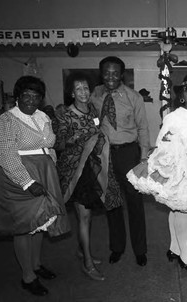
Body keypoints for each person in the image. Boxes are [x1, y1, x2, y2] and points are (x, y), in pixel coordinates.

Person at [127, 74, 187, 274]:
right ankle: (185, 257)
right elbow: (162, 143)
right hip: (182, 168)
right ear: (181, 95)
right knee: (183, 209)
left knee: (177, 209)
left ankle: (174, 249)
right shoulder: (173, 116)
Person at [0, 76, 70, 296]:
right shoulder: (6, 121)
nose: (31, 101)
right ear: (17, 97)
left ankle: (35, 264)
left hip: (43, 172)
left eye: (36, 96)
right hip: (21, 176)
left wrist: (51, 170)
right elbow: (5, 156)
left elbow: (48, 146)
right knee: (24, 226)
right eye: (26, 95)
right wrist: (27, 182)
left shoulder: (42, 116)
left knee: (40, 222)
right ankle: (27, 276)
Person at [54, 72, 123, 281]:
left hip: (93, 169)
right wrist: (75, 138)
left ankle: (82, 250)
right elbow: (58, 144)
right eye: (78, 89)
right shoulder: (65, 115)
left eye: (86, 88)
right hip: (76, 173)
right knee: (83, 217)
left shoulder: (92, 109)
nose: (83, 92)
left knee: (88, 216)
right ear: (71, 93)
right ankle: (88, 263)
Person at [90, 56, 150, 266]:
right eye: (107, 72)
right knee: (111, 202)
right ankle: (117, 247)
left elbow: (143, 128)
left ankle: (140, 250)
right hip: (104, 154)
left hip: (129, 153)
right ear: (101, 73)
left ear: (121, 74)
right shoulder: (94, 95)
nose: (111, 77)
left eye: (115, 73)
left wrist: (144, 158)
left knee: (134, 203)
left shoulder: (133, 97)